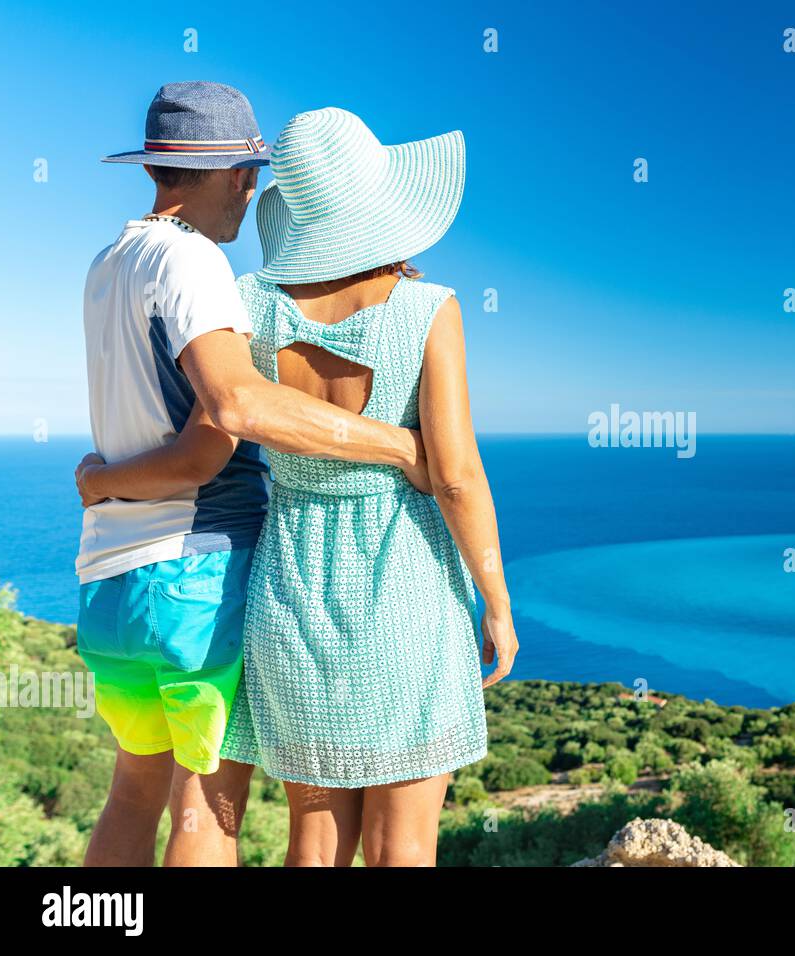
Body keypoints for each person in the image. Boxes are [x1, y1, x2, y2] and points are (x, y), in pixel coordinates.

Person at [82, 105, 518, 867]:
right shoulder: (427, 310)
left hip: (290, 593)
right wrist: (497, 599)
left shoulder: (249, 305)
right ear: (384, 204)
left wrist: (106, 479)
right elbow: (454, 474)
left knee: (313, 846)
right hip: (403, 581)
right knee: (401, 848)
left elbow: (217, 422)